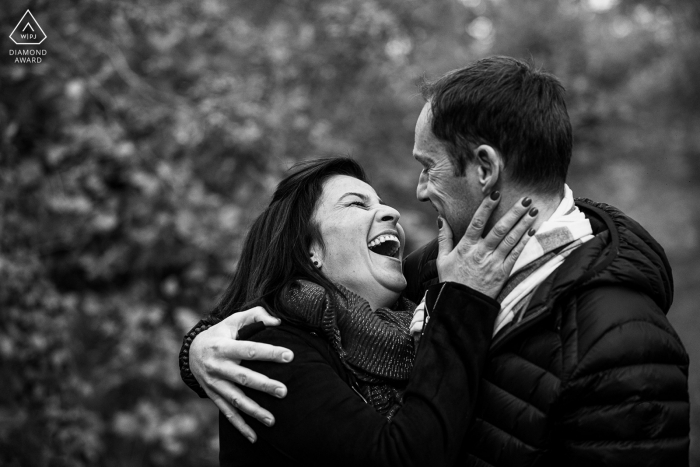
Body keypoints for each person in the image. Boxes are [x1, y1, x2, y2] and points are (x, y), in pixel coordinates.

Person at [179, 57, 690, 466]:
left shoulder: (622, 338)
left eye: (428, 167)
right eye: (358, 204)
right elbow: (261, 292)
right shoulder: (446, 269)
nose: (416, 195)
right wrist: (198, 348)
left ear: (485, 168)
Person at [198, 156, 538, 466]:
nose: (392, 212)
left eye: (380, 201)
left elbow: (503, 228)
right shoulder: (272, 351)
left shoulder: (423, 316)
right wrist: (460, 301)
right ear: (309, 248)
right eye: (356, 204)